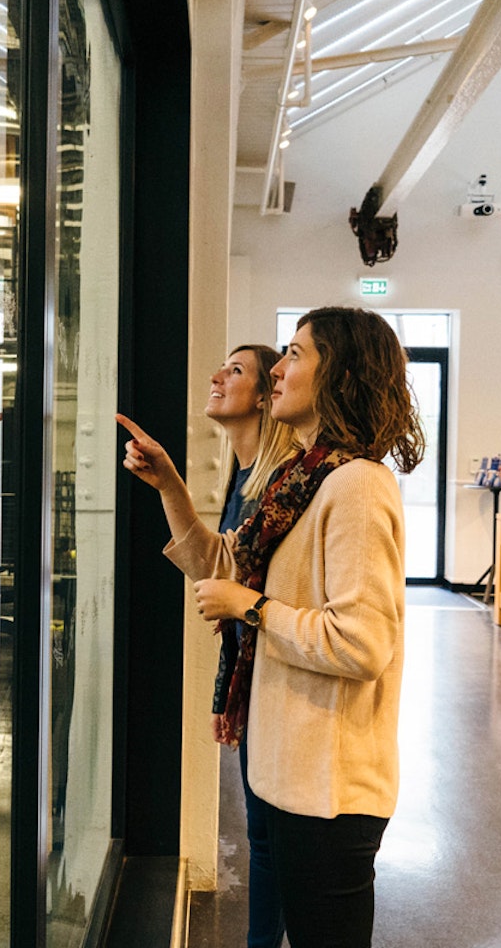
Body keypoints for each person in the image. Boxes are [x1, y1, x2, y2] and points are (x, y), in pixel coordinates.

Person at [116, 306, 424, 948]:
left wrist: (250, 608)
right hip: (291, 774)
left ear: (339, 376)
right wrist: (171, 485)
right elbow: (223, 566)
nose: (278, 370)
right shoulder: (302, 478)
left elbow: (362, 644)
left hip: (331, 789)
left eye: (295, 355)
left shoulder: (357, 486)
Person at [205, 344, 296, 948]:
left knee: (268, 836)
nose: (217, 377)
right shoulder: (242, 476)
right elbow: (222, 580)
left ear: (266, 396)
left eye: (235, 371)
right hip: (252, 673)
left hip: (281, 677)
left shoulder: (279, 488)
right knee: (262, 833)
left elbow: (245, 596)